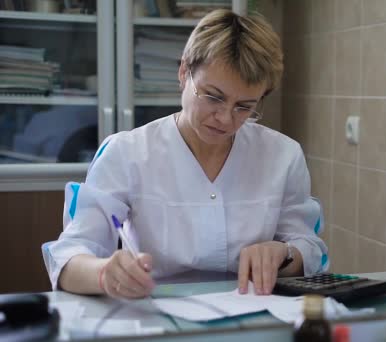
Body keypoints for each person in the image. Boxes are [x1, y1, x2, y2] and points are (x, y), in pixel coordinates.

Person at [44, 9, 329, 299]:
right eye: (213, 96)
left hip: (255, 313)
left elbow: (311, 248)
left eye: (244, 106)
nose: (225, 118)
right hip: (158, 317)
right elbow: (69, 255)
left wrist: (285, 254)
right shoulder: (126, 153)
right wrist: (105, 273)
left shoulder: (283, 156)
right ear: (184, 73)